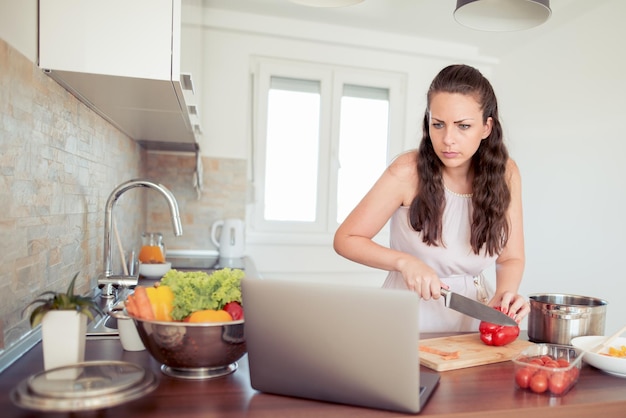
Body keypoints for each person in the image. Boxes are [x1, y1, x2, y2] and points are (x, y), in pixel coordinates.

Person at [333, 64, 529, 332]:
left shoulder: (507, 173)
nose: (447, 139)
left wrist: (504, 295)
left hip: (471, 318)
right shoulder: (407, 171)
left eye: (463, 126)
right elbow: (346, 239)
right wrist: (405, 262)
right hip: (405, 318)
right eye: (438, 124)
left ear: (486, 127)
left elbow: (510, 258)